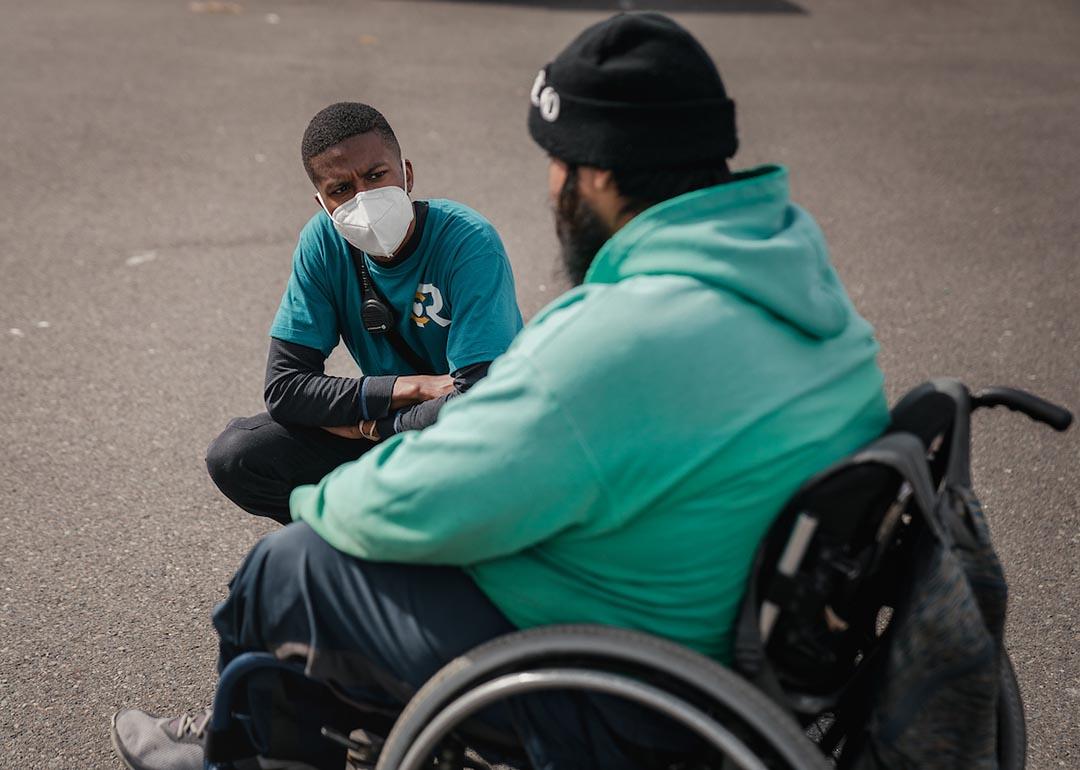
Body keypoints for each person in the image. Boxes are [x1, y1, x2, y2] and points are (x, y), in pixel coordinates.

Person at [111, 12, 890, 770]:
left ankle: (235, 752)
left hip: (627, 691)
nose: (552, 189)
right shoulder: (821, 305)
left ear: (594, 174)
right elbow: (300, 391)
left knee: (289, 568)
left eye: (554, 164)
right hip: (749, 665)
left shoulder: (609, 340)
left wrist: (321, 506)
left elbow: (404, 504)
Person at [203, 102, 523, 524]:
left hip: (472, 444)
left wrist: (371, 427)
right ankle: (359, 549)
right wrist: (407, 388)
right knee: (239, 454)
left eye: (375, 176)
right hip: (405, 422)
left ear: (406, 173)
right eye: (341, 189)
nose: (364, 199)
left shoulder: (468, 241)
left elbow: (479, 400)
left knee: (483, 446)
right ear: (322, 203)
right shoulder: (323, 242)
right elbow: (285, 388)